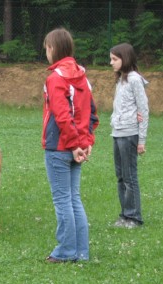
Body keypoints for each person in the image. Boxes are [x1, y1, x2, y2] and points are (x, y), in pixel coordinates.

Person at [42, 28, 99, 263]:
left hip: (59, 148)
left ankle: (66, 251)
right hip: (76, 147)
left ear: (53, 49)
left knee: (63, 200)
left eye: (46, 47)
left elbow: (63, 115)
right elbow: (91, 114)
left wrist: (76, 144)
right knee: (73, 198)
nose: (46, 52)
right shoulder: (82, 78)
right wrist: (86, 143)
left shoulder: (55, 79)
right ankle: (81, 252)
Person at [109, 43, 149, 229]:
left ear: (125, 59)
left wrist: (141, 140)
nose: (111, 63)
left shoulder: (134, 80)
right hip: (117, 133)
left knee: (130, 176)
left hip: (129, 134)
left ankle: (134, 217)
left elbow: (143, 109)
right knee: (120, 176)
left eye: (115, 59)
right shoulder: (121, 80)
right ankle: (124, 214)